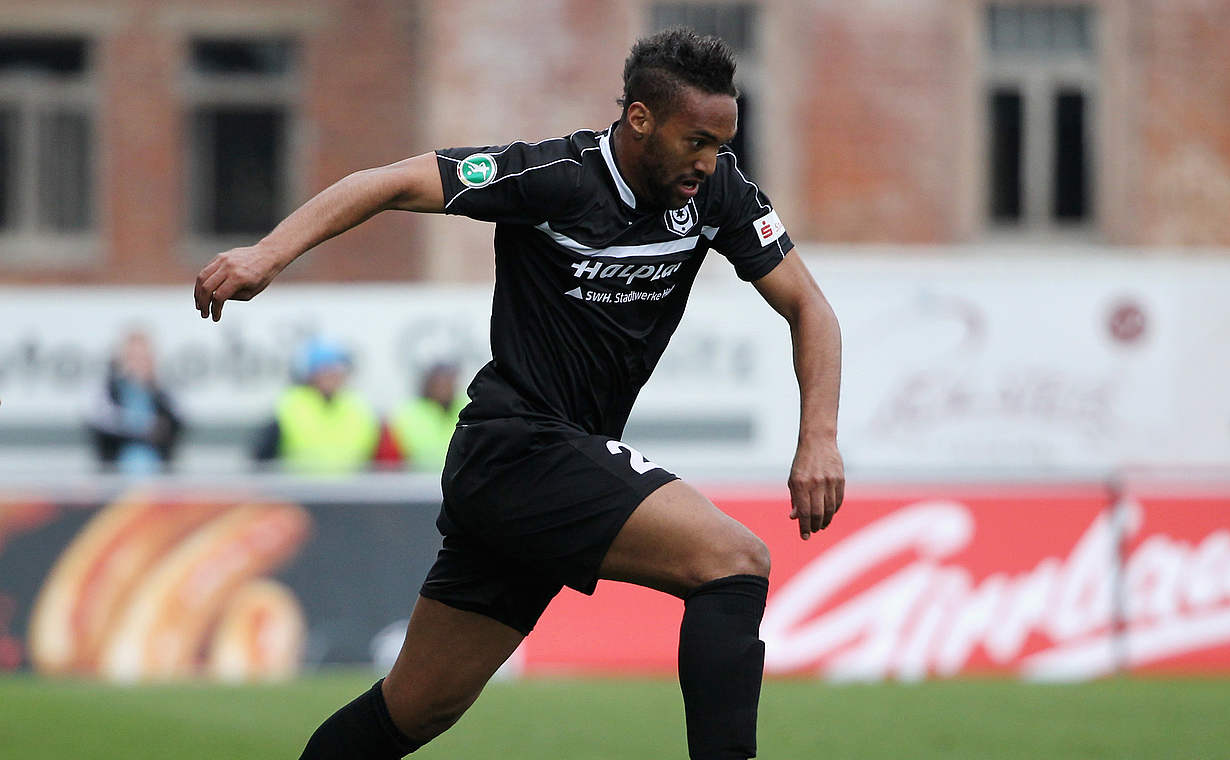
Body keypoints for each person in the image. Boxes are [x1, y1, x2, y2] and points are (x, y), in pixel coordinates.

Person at [194, 28, 843, 760]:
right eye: (696, 140)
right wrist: (265, 254)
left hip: (542, 475)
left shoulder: (717, 192)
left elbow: (809, 307)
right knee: (733, 559)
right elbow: (390, 181)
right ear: (639, 120)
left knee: (414, 709)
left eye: (723, 143)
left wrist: (818, 435)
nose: (710, 160)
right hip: (517, 447)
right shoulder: (553, 177)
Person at [252, 336, 380, 474]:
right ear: (310, 374)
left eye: (337, 371)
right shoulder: (289, 407)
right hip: (297, 492)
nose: (333, 376)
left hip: (351, 493)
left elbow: (376, 460)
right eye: (326, 370)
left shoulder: (359, 408)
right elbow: (261, 461)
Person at [86, 329, 183, 474]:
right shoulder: (110, 391)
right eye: (133, 358)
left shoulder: (164, 395)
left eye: (144, 358)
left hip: (159, 480)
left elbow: (177, 423)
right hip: (115, 480)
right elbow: (101, 422)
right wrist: (143, 428)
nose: (138, 364)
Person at [376, 362, 468, 470]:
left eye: (448, 378)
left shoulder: (470, 409)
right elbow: (390, 464)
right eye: (438, 379)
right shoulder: (406, 416)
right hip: (417, 484)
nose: (443, 385)